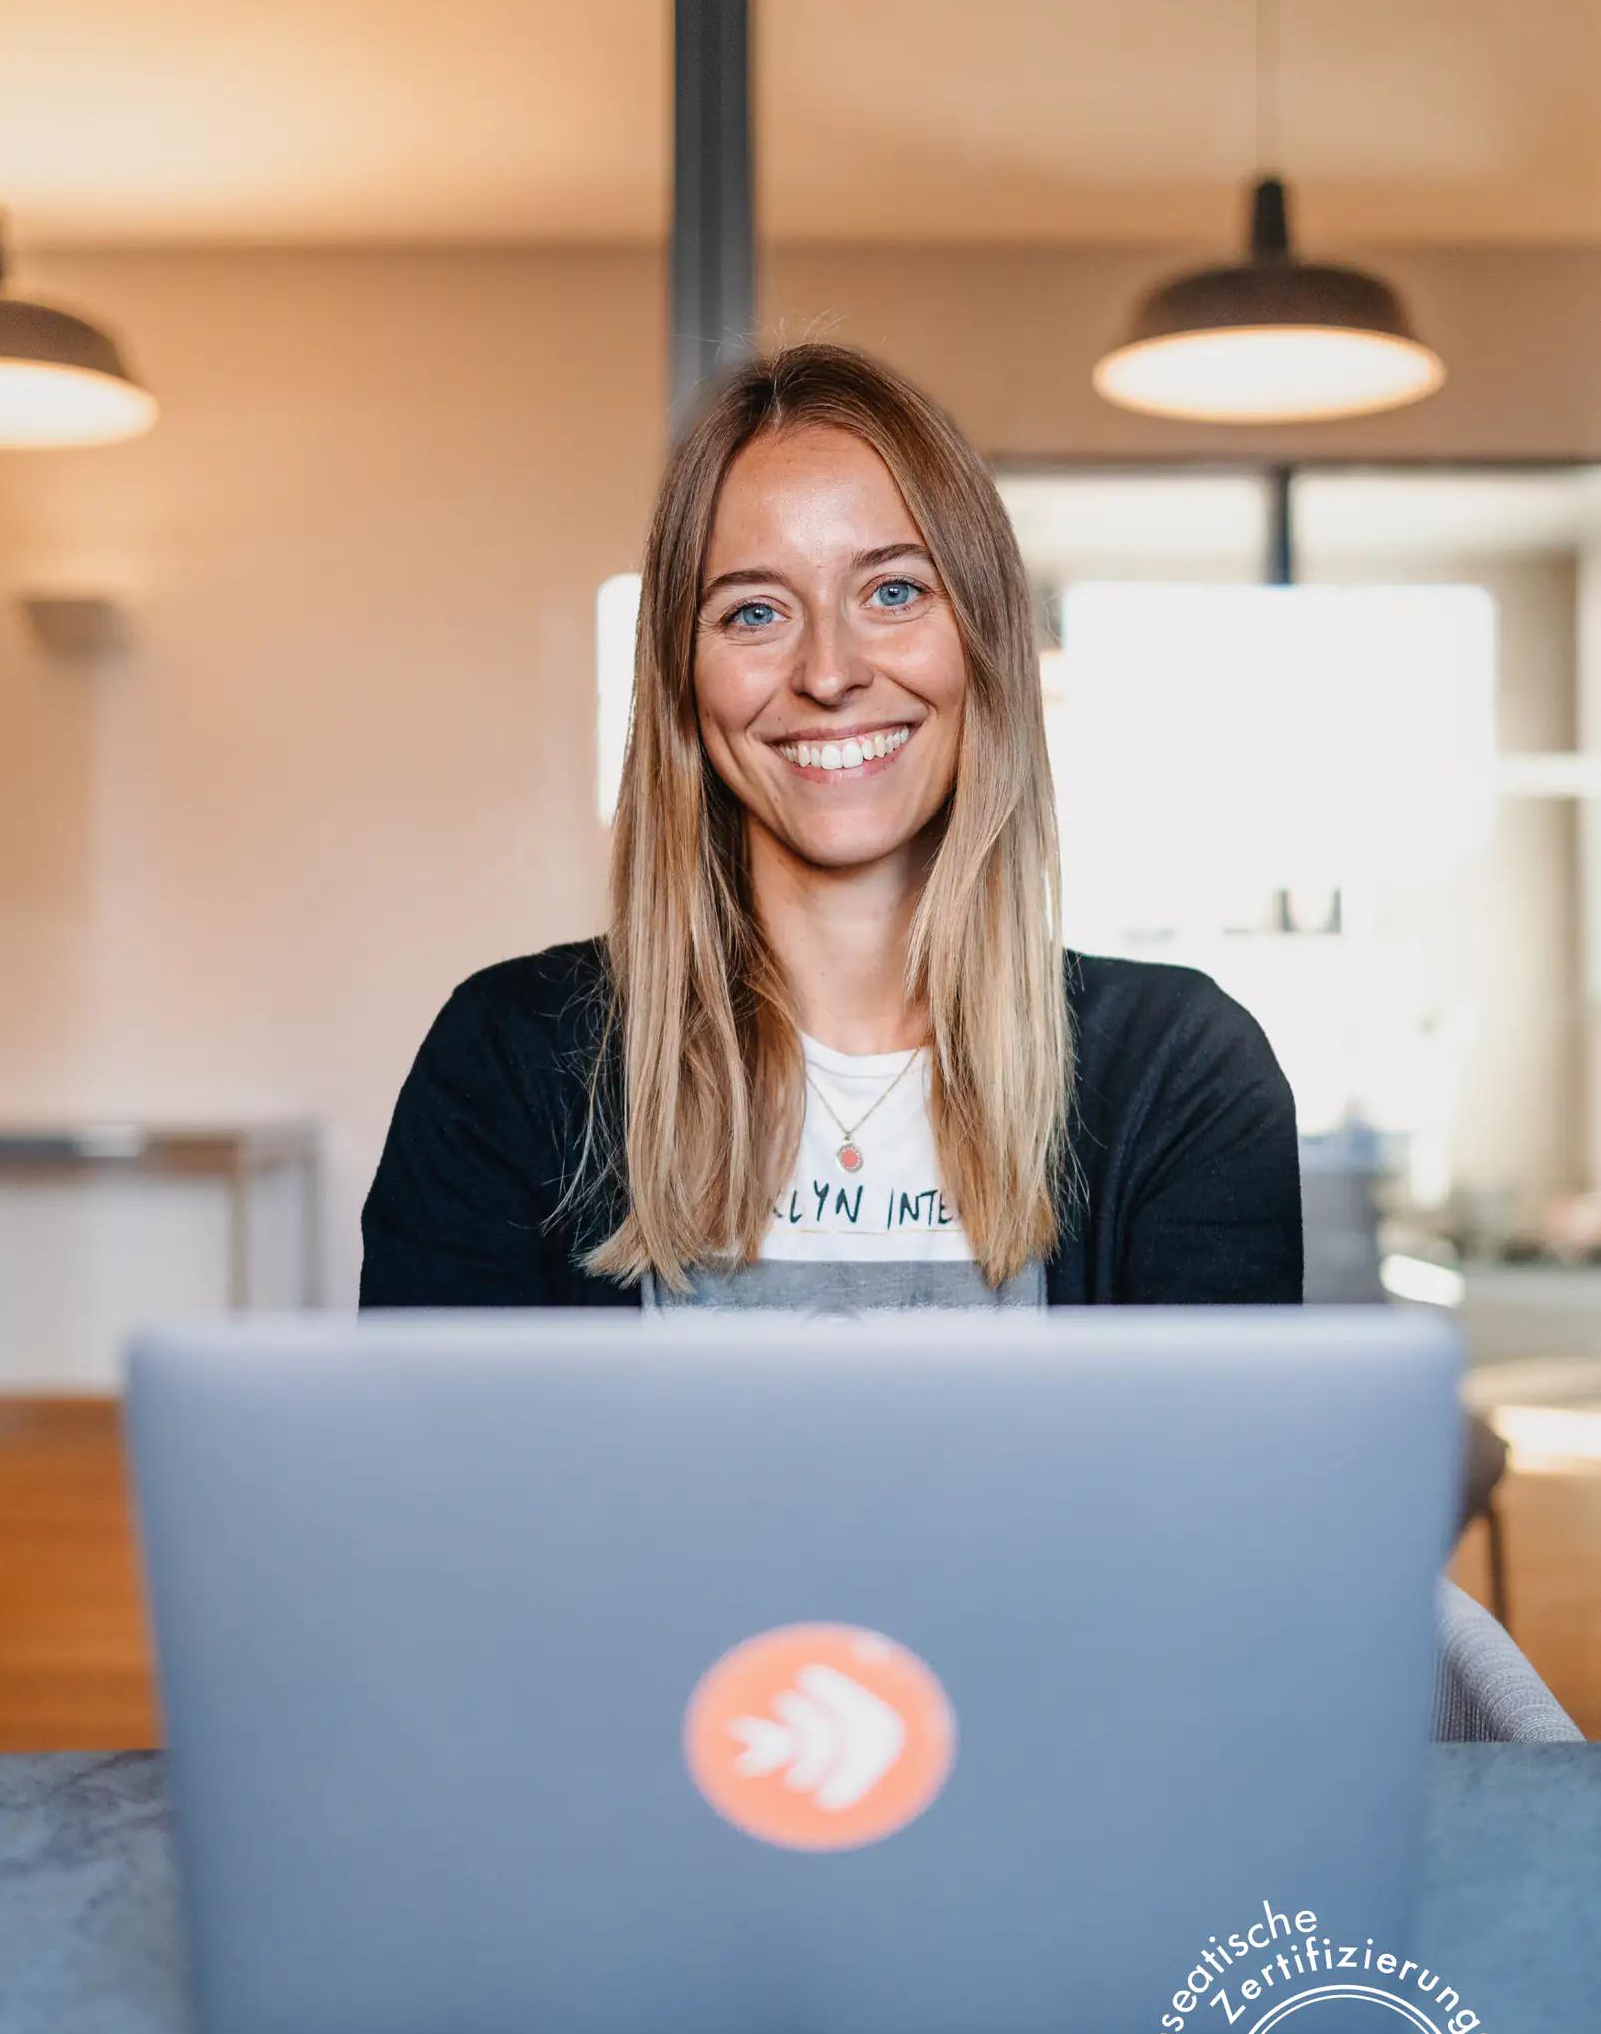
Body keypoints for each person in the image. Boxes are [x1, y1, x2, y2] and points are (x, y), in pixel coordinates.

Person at [360, 342, 1301, 1314]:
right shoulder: (509, 1062)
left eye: (893, 591)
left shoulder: (1180, 1073)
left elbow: (1222, 1468)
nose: (828, 671)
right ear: (684, 682)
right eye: (755, 612)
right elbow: (430, 1464)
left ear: (981, 637)